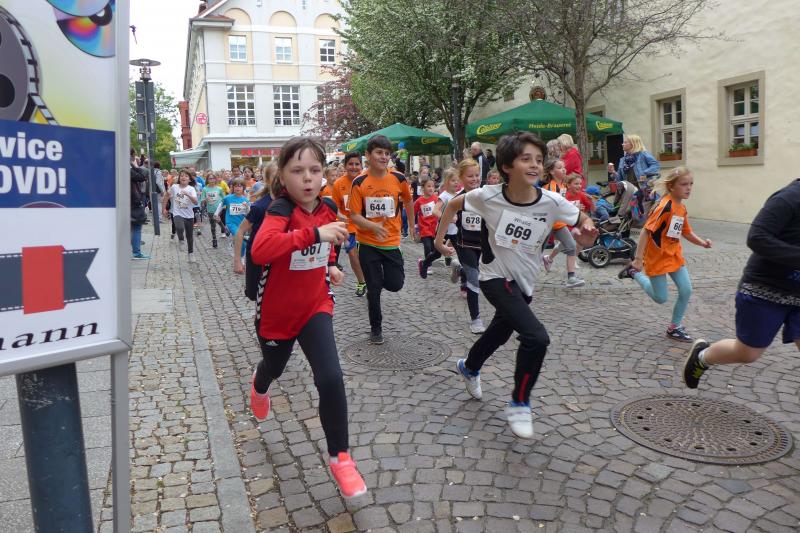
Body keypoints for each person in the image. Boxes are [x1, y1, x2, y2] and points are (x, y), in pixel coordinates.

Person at [434, 131, 597, 438]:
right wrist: (439, 241)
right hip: (494, 277)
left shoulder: (552, 202)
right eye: (526, 159)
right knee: (536, 337)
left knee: (499, 332)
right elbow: (453, 205)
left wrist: (588, 230)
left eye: (538, 159)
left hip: (525, 284)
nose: (535, 165)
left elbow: (583, 222)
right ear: (507, 166)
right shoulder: (487, 196)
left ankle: (469, 366)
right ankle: (520, 402)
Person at [249, 137, 366, 499]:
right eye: (298, 170)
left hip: (315, 306)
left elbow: (327, 244)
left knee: (331, 377)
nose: (308, 178)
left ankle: (341, 457)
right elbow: (261, 250)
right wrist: (314, 234)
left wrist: (330, 265)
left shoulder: (327, 206)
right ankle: (259, 385)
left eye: (315, 170)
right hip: (277, 314)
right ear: (282, 177)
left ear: (324, 174)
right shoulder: (280, 210)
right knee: (274, 366)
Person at [683, 178, 800, 388]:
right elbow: (757, 237)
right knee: (748, 353)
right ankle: (702, 356)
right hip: (765, 290)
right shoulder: (789, 198)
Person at [618, 167, 712, 342]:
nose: (689, 188)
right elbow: (646, 231)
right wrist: (638, 259)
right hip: (657, 257)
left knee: (686, 290)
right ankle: (633, 272)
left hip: (674, 255)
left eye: (691, 184)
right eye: (684, 184)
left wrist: (702, 243)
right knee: (661, 298)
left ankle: (674, 327)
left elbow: (686, 232)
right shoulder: (665, 206)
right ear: (671, 187)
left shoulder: (681, 207)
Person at [348, 135, 416, 344]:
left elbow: (408, 201)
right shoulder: (360, 182)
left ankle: (378, 282)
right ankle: (376, 329)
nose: (384, 157)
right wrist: (372, 226)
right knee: (374, 289)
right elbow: (354, 215)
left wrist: (412, 225)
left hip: (391, 241)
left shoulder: (399, 178)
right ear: (368, 155)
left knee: (395, 284)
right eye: (379, 152)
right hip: (367, 242)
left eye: (387, 153)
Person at [450, 159, 485, 333]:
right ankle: (475, 319)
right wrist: (452, 217)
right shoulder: (457, 199)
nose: (475, 179)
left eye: (477, 175)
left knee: (480, 274)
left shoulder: (485, 196)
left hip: (483, 245)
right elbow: (443, 213)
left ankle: (459, 269)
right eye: (470, 176)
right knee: (474, 278)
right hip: (464, 245)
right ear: (461, 178)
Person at [541, 159, 585, 287]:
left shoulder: (563, 186)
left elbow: (563, 204)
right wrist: (572, 207)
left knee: (571, 246)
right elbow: (554, 206)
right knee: (536, 250)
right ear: (552, 172)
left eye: (564, 167)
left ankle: (571, 278)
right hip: (546, 224)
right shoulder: (550, 187)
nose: (564, 169)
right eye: (560, 168)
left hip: (558, 224)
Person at [331, 152, 368, 297]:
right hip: (349, 227)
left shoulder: (367, 180)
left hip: (367, 226)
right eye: (350, 164)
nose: (354, 167)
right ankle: (361, 282)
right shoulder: (338, 184)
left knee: (367, 255)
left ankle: (372, 278)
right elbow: (334, 207)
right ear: (345, 166)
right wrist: (340, 217)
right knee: (353, 254)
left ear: (361, 166)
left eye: (357, 164)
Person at [609, 134, 660, 219]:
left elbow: (655, 165)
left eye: (625, 142)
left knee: (643, 215)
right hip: (629, 192)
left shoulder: (643, 155)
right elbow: (620, 180)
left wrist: (645, 173)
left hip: (643, 190)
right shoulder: (623, 160)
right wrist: (613, 172)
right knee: (628, 215)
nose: (622, 144)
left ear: (633, 143)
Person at [162, 169, 200, 263]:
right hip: (177, 213)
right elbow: (166, 196)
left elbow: (196, 202)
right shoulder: (174, 187)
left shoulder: (191, 189)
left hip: (189, 215)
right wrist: (164, 209)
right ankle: (181, 239)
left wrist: (188, 195)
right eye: (182, 175)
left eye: (186, 176)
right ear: (179, 178)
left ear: (189, 179)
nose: (183, 177)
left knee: (189, 236)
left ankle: (191, 253)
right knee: (179, 227)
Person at [216, 179, 250, 262]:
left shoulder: (245, 200)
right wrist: (216, 214)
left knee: (244, 242)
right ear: (233, 188)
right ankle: (240, 258)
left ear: (243, 188)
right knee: (240, 238)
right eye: (236, 186)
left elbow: (249, 213)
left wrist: (247, 207)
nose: (238, 188)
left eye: (240, 186)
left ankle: (241, 255)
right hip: (231, 223)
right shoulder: (228, 198)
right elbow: (221, 205)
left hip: (241, 224)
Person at [415, 177, 440, 278]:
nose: (431, 188)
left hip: (434, 228)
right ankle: (428, 266)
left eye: (433, 186)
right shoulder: (419, 201)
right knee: (427, 247)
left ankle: (423, 262)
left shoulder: (436, 199)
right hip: (424, 228)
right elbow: (413, 212)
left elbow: (441, 210)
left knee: (434, 250)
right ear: (423, 188)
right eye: (428, 186)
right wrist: (415, 227)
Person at [130, 154, 150, 259]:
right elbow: (143, 177)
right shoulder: (129, 170)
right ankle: (136, 252)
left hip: (126, 202)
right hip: (133, 201)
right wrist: (135, 166)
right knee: (137, 227)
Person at [201, 172, 224, 248]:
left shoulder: (219, 189)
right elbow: (202, 200)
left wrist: (224, 205)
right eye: (210, 178)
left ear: (215, 179)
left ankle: (223, 228)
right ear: (207, 180)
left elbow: (224, 198)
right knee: (213, 225)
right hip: (210, 209)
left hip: (218, 208)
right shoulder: (205, 189)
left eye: (213, 178)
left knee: (216, 218)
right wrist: (205, 199)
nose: (212, 180)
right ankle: (214, 239)